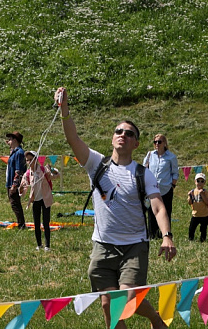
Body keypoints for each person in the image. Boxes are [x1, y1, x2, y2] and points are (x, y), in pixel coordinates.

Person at [57, 87, 175, 329]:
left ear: (136, 143)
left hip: (134, 245)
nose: (122, 134)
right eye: (118, 131)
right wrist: (64, 110)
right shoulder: (95, 164)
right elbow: (73, 139)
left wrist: (166, 236)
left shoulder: (143, 173)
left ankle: (155, 319)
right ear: (112, 138)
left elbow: (158, 207)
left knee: (129, 299)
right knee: (108, 304)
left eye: (129, 133)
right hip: (102, 245)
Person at [20, 150, 59, 250]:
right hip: (35, 201)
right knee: (36, 224)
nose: (29, 162)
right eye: (27, 160)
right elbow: (23, 188)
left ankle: (47, 246)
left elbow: (54, 176)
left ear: (36, 159)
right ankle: (39, 245)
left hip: (45, 199)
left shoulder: (43, 170)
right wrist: (21, 189)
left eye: (31, 160)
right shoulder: (28, 174)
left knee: (46, 223)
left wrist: (53, 170)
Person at [142, 134, 179, 239]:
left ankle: (165, 234)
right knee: (151, 211)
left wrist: (172, 185)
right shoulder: (150, 155)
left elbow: (175, 173)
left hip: (165, 189)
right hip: (151, 189)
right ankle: (152, 234)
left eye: (159, 142)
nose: (157, 144)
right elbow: (144, 170)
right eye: (155, 142)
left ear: (165, 143)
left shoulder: (171, 157)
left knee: (166, 211)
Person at [5, 131, 27, 229]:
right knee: (14, 203)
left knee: (15, 203)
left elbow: (19, 170)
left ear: (15, 140)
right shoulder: (14, 152)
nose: (8, 141)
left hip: (14, 182)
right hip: (10, 181)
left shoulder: (19, 153)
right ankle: (21, 223)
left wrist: (14, 184)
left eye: (10, 139)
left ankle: (21, 224)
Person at [187, 173, 208, 242]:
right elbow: (190, 203)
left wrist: (202, 194)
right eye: (198, 181)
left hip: (204, 214)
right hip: (195, 214)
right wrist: (190, 196)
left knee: (203, 229)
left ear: (204, 183)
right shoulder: (192, 191)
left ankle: (202, 240)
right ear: (195, 182)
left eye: (202, 181)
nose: (200, 183)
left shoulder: (205, 192)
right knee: (192, 228)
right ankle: (190, 239)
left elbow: (207, 202)